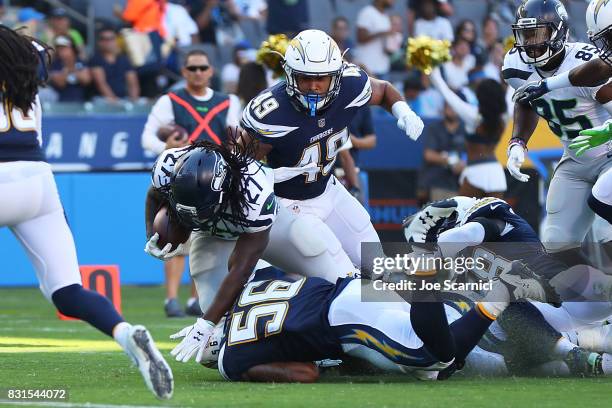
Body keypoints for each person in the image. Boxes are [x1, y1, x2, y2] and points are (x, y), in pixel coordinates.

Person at [0, 26, 172, 399]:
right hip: (37, 182)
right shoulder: (25, 79)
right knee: (67, 290)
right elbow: (37, 55)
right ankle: (125, 333)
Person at [146, 138, 356, 363]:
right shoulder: (168, 166)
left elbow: (240, 270)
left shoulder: (253, 192)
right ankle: (297, 353)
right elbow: (154, 195)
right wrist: (152, 234)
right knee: (218, 333)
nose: (193, 218)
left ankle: (359, 332)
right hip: (211, 235)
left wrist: (204, 323)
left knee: (329, 270)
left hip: (266, 228)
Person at [241, 29, 424, 268]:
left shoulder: (350, 84)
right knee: (341, 274)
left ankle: (396, 306)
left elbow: (384, 90)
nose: (314, 86)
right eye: (305, 78)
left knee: (377, 265)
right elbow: (240, 165)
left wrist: (403, 111)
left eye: (321, 78)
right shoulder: (272, 113)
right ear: (290, 75)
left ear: (336, 76)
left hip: (329, 190)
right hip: (291, 205)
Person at [199, 261, 555, 382]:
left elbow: (306, 373)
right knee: (435, 369)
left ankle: (443, 282)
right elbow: (289, 276)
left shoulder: (232, 359)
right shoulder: (254, 282)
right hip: (352, 288)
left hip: (344, 322)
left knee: (433, 356)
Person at [501, 0, 612, 262]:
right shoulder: (514, 65)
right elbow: (526, 99)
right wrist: (517, 141)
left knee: (605, 233)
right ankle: (586, 297)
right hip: (574, 160)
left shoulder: (587, 62)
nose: (530, 42)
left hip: (608, 156)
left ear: (559, 31)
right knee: (556, 244)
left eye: (537, 33)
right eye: (525, 34)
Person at [141, 49, 241, 317]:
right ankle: (171, 298)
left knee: (204, 238)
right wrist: (167, 145)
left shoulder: (227, 101)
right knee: (173, 232)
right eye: (192, 68)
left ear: (211, 71)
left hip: (212, 180)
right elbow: (147, 138)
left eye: (202, 68)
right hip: (180, 177)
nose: (198, 73)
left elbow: (235, 138)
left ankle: (196, 299)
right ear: (184, 71)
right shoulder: (170, 100)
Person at [430, 67, 508, 198]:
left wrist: (432, 69)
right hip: (497, 174)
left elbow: (447, 94)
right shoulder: (504, 117)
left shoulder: (473, 116)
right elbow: (514, 90)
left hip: (475, 173)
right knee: (495, 218)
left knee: (465, 217)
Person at [89, 26, 140, 103]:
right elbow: (101, 84)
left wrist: (133, 101)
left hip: (123, 99)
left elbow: (133, 83)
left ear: (116, 40)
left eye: (111, 39)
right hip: (102, 100)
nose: (108, 42)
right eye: (104, 39)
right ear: (99, 42)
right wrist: (116, 103)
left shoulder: (124, 59)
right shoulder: (96, 59)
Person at [354, 0, 395, 78]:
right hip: (368, 68)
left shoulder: (385, 16)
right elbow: (360, 38)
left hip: (383, 69)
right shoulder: (367, 12)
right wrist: (381, 33)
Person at [48, 35, 91, 102]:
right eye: (59, 48)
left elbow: (86, 80)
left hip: (81, 102)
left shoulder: (81, 62)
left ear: (73, 48)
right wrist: (68, 68)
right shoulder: (55, 64)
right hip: (60, 102)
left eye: (64, 48)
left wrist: (71, 68)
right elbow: (60, 83)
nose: (61, 51)